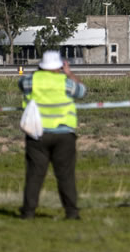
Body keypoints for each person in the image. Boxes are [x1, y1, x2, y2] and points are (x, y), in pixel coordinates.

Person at [19, 50, 87, 220]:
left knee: (34, 175)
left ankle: (28, 212)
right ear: (59, 66)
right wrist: (69, 73)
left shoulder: (32, 81)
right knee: (65, 175)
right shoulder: (65, 83)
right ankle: (72, 212)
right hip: (64, 134)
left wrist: (38, 73)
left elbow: (21, 83)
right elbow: (82, 91)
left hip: (37, 133)